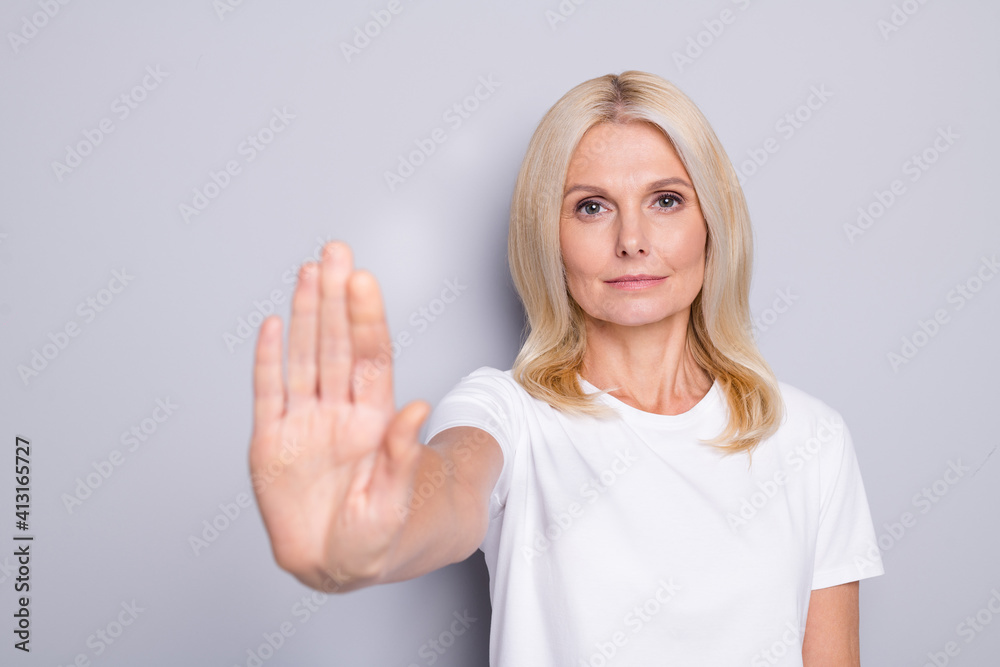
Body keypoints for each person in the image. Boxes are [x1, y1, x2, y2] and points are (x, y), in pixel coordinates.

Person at [248, 70, 885, 666]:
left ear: (713, 225)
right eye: (591, 207)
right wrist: (362, 539)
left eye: (665, 200)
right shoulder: (506, 414)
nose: (631, 239)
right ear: (547, 236)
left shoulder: (810, 438)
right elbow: (447, 491)